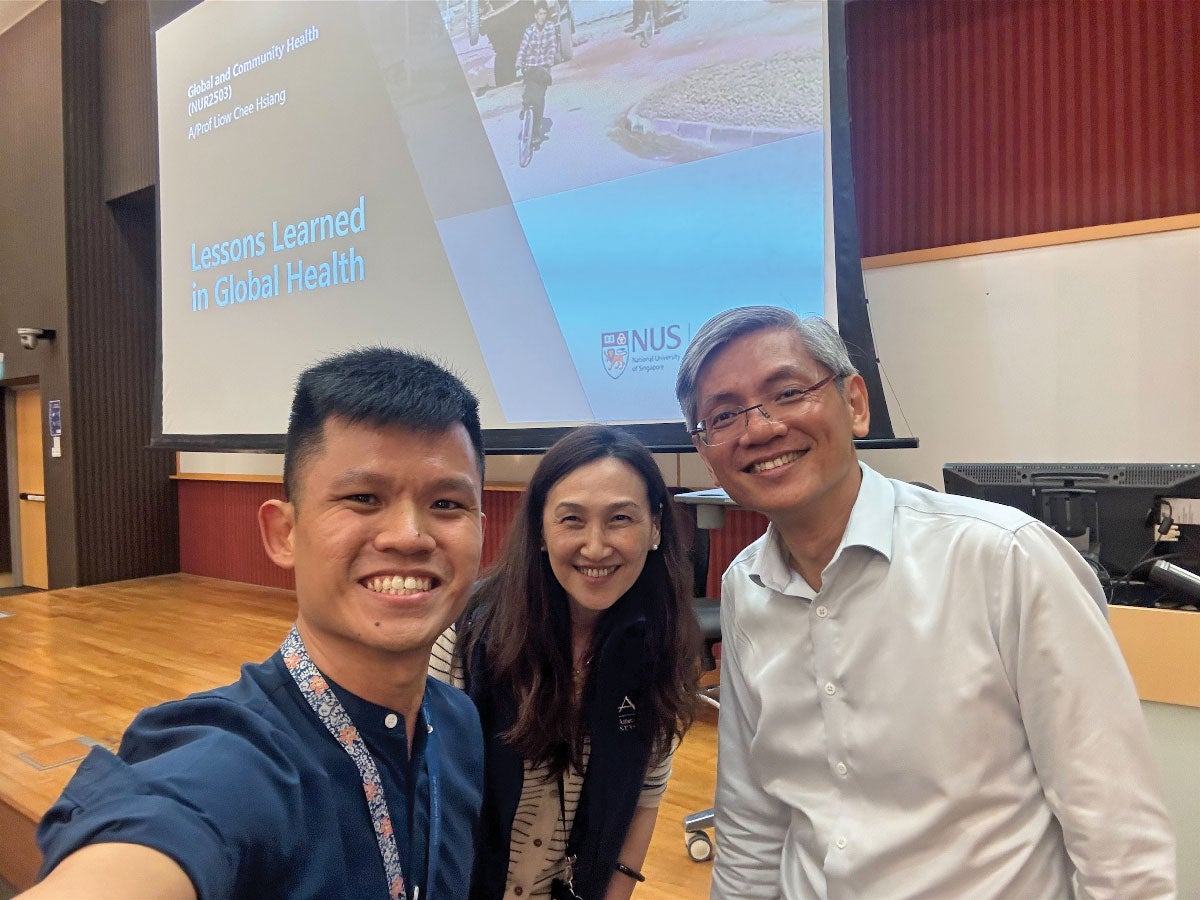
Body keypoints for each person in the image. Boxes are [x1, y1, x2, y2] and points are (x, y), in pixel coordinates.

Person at [673, 306, 1177, 898]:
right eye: (724, 415)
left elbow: (1118, 835)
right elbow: (752, 816)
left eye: (786, 392)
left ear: (855, 404)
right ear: (707, 451)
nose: (759, 429)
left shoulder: (1003, 558)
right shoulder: (745, 585)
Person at [24, 348, 488, 900]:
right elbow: (161, 825)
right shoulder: (238, 760)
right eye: (364, 498)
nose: (410, 535)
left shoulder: (458, 723)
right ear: (283, 533)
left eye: (446, 503)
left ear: (480, 531)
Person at [430, 424, 700, 899]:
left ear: (655, 527)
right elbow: (420, 798)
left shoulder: (660, 644)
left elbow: (644, 798)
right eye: (571, 519)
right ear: (539, 529)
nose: (595, 547)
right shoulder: (464, 635)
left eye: (620, 519)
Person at [516, 1, 558, 148]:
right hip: (530, 67)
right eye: (539, 14)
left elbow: (553, 45)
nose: (542, 16)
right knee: (528, 95)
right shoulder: (529, 31)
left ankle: (536, 134)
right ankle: (526, 107)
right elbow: (523, 47)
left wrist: (549, 61)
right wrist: (519, 62)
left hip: (543, 69)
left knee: (539, 100)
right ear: (535, 15)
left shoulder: (550, 28)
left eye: (544, 14)